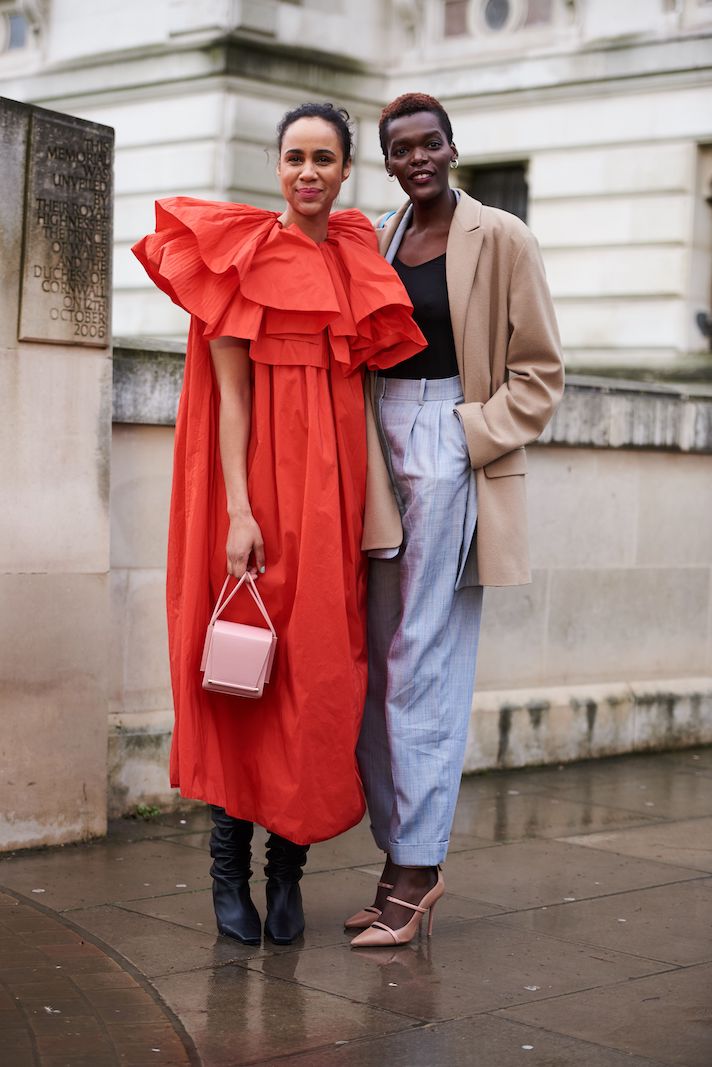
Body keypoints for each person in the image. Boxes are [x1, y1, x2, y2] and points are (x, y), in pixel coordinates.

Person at [132, 103, 425, 947]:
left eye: (324, 158)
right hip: (255, 493)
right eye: (295, 156)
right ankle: (229, 867)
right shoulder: (239, 254)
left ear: (343, 172)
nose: (308, 171)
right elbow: (231, 403)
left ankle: (287, 869)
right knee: (244, 682)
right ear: (277, 166)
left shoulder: (356, 254)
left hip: (330, 497)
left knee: (316, 677)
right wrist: (239, 511)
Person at [347, 93, 565, 947]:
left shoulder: (501, 235)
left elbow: (540, 374)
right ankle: (397, 853)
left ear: (451, 146)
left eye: (429, 143)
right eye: (400, 149)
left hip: (449, 441)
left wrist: (465, 435)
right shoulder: (376, 236)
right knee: (377, 657)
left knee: (422, 660)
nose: (417, 159)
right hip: (375, 445)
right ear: (388, 160)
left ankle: (418, 870)